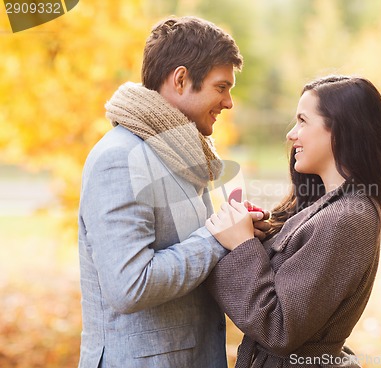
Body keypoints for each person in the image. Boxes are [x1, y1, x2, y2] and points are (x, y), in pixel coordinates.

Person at [78, 16, 243, 368]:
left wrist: (241, 233)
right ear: (181, 80)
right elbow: (130, 285)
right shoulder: (120, 159)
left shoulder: (182, 154)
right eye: (221, 87)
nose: (229, 102)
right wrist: (217, 239)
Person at [205, 75, 381, 367]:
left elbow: (279, 329)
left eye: (303, 121)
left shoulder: (347, 218)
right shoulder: (331, 207)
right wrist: (258, 238)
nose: (292, 134)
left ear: (341, 130)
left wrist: (242, 246)